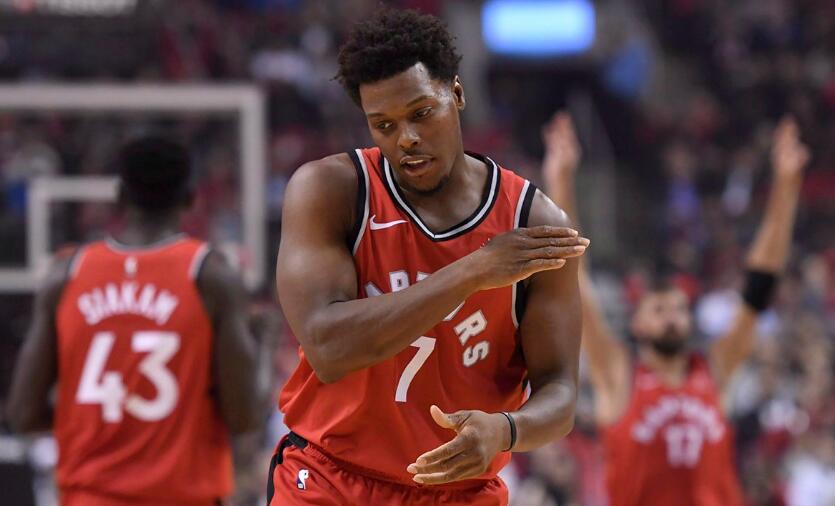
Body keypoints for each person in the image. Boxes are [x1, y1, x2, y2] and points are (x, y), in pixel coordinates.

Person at [273, 8, 589, 506]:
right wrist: (472, 271)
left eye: (421, 113)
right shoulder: (331, 191)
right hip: (330, 477)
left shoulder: (530, 221)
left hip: (458, 489)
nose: (406, 138)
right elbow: (328, 349)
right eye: (384, 125)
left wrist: (505, 430)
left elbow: (561, 394)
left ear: (456, 94)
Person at [542, 112, 809, 506]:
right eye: (659, 309)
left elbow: (758, 289)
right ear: (637, 323)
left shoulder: (713, 371)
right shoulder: (620, 375)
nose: (671, 315)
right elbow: (574, 281)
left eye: (679, 308)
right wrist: (561, 180)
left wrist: (786, 186)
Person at [6, 136, 262, 506]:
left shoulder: (67, 274)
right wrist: (265, 346)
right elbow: (244, 418)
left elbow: (23, 414)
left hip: (90, 497)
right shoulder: (211, 276)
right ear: (190, 198)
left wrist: (93, 419)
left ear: (120, 196)